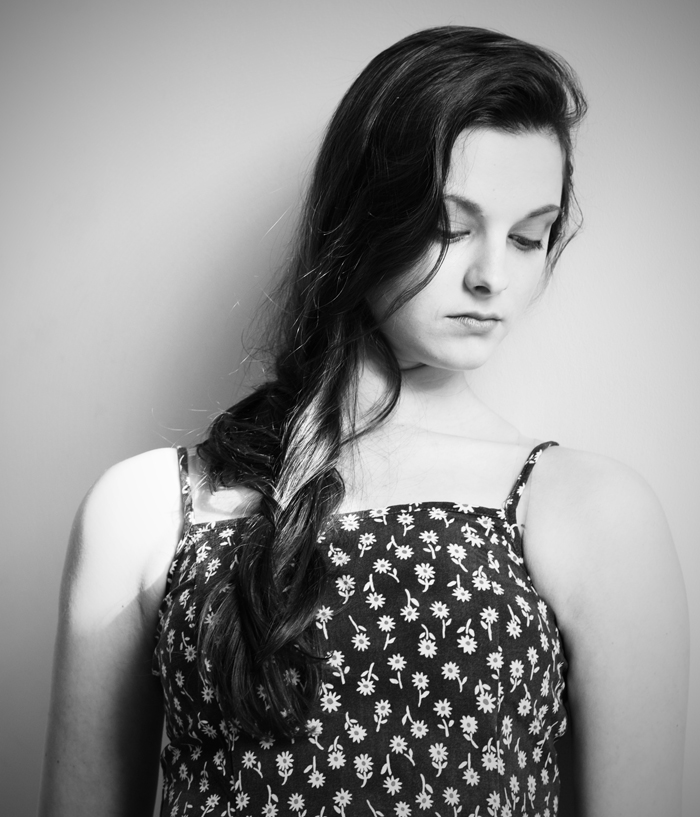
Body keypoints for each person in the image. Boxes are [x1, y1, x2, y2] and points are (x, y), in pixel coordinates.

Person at [39, 25, 688, 817]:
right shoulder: (143, 511)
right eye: (451, 228)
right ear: (362, 217)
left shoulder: (592, 513)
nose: (492, 276)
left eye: (528, 236)